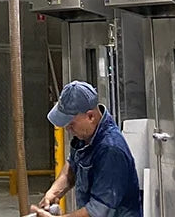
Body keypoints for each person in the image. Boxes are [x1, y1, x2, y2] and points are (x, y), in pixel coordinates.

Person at [30, 81, 142, 217]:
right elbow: (72, 166)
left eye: (71, 124)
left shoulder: (111, 150)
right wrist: (54, 192)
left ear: (90, 116)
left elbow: (98, 212)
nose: (68, 129)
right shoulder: (85, 135)